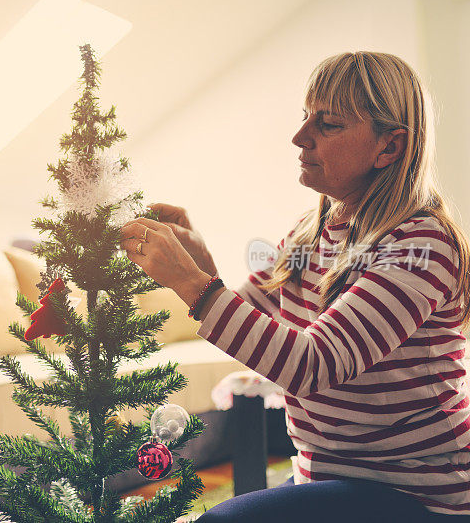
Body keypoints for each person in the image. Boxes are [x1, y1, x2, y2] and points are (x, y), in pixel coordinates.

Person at [121, 52, 470, 521]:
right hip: (326, 473)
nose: (299, 137)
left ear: (388, 148)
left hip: (414, 490)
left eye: (327, 124)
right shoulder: (314, 228)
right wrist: (198, 260)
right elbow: (247, 312)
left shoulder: (422, 242)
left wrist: (189, 279)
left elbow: (312, 364)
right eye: (305, 117)